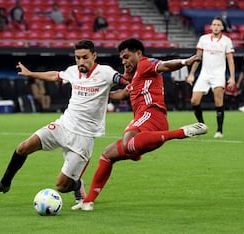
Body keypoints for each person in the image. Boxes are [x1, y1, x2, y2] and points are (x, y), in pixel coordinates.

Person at [0, 40, 129, 204]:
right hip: (63, 125)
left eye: (85, 57)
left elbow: (125, 81)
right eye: (77, 58)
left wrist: (129, 87)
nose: (80, 62)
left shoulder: (105, 72)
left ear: (94, 55)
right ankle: (4, 183)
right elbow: (55, 75)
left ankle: (77, 184)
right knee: (23, 147)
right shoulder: (72, 71)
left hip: (83, 138)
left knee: (62, 186)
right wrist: (30, 74)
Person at [71, 38, 208, 211]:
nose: (124, 61)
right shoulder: (133, 76)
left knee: (128, 141)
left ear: (138, 54)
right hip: (143, 122)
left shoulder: (145, 64)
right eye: (121, 58)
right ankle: (88, 201)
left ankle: (181, 132)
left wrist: (185, 62)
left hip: (153, 114)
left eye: (127, 57)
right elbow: (120, 94)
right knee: (107, 155)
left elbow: (165, 66)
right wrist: (96, 92)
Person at [187, 16, 235, 139]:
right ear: (211, 26)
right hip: (204, 74)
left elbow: (230, 60)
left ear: (222, 27)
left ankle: (219, 130)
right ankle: (201, 126)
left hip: (219, 74)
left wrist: (232, 77)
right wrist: (192, 74)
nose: (215, 27)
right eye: (214, 24)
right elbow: (198, 57)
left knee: (218, 101)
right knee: (194, 101)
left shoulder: (226, 41)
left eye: (218, 25)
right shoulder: (203, 39)